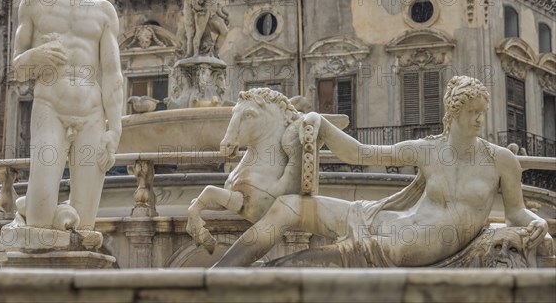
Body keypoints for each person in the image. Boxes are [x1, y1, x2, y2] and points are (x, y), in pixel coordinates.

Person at [214, 76, 548, 267]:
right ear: (454, 113)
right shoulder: (428, 149)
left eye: (481, 112)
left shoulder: (501, 159)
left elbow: (517, 212)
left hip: (416, 244)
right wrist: (322, 124)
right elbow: (361, 153)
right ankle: (218, 276)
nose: (479, 119)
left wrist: (539, 222)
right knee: (291, 206)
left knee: (320, 259)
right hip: (388, 220)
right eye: (472, 112)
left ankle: (263, 277)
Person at [11, 0, 123, 231]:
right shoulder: (34, 4)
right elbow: (17, 70)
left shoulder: (103, 11)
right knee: (39, 221)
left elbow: (113, 73)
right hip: (51, 108)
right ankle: (33, 205)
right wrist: (36, 56)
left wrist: (116, 130)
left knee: (84, 225)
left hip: (91, 115)